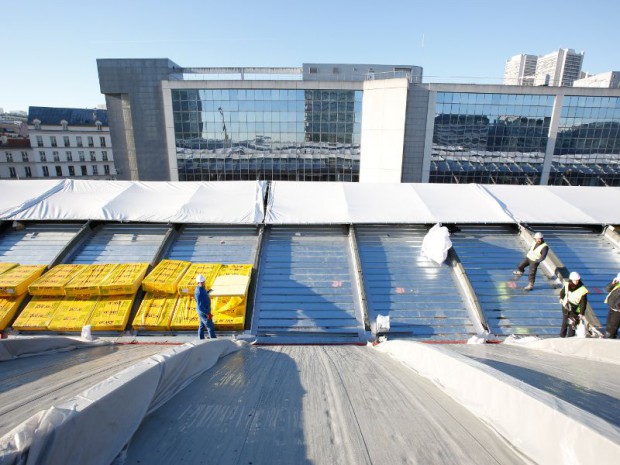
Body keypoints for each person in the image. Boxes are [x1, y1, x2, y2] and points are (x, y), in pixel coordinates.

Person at [559, 271, 589, 338]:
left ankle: (570, 338)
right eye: (575, 280)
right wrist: (561, 298)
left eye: (577, 280)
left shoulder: (582, 290)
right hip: (566, 307)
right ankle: (562, 337)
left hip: (575, 309)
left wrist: (581, 313)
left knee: (572, 324)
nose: (576, 282)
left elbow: (583, 303)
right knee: (564, 323)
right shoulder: (567, 285)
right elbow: (562, 292)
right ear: (571, 280)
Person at [195, 274, 216, 339]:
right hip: (204, 312)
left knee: (201, 325)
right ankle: (213, 341)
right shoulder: (199, 292)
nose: (203, 283)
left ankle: (200, 339)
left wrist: (208, 291)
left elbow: (204, 294)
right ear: (198, 283)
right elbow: (200, 306)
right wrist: (208, 313)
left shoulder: (201, 288)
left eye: (203, 282)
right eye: (202, 282)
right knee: (210, 326)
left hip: (203, 311)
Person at [604, 272, 620, 339]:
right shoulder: (617, 284)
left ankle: (611, 341)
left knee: (612, 329)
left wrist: (618, 306)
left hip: (618, 311)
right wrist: (612, 283)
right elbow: (607, 289)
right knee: (608, 327)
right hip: (612, 308)